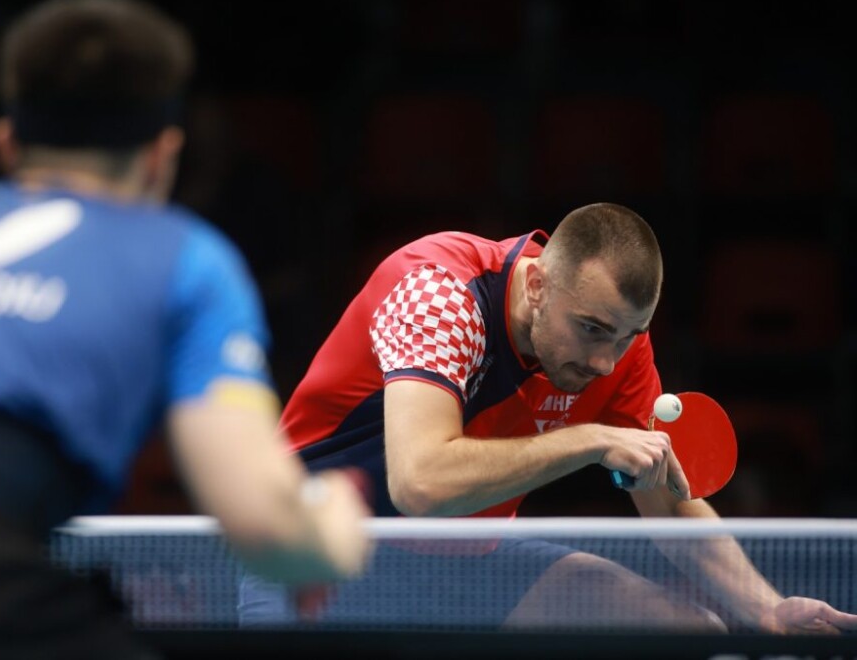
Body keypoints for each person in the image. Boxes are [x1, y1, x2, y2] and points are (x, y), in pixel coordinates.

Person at [0, 0, 371, 657]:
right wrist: (329, 525)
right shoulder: (184, 258)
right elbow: (267, 527)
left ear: (5, 144)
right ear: (163, 155)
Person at [238, 202, 857, 634]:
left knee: (687, 630)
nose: (605, 360)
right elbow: (420, 483)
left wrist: (765, 609)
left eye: (628, 336)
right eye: (591, 329)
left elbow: (666, 500)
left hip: (462, 561)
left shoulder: (618, 347)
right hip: (316, 552)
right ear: (537, 286)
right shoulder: (439, 293)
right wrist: (588, 439)